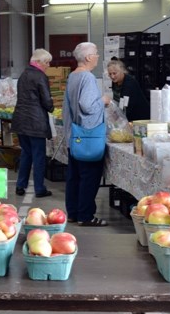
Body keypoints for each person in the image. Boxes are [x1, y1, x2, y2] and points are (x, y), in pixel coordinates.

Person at [63, 42, 110, 227]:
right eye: (96, 53)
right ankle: (86, 215)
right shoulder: (88, 77)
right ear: (89, 57)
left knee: (74, 176)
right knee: (89, 177)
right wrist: (103, 100)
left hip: (74, 134)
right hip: (89, 135)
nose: (98, 56)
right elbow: (88, 106)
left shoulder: (73, 76)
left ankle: (73, 213)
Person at [11, 49, 55, 198]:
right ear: (38, 62)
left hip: (21, 121)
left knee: (26, 154)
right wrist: (52, 107)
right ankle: (39, 188)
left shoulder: (23, 75)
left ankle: (20, 185)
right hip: (36, 122)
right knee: (39, 156)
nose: (48, 65)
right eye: (46, 62)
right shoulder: (40, 76)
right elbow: (46, 100)